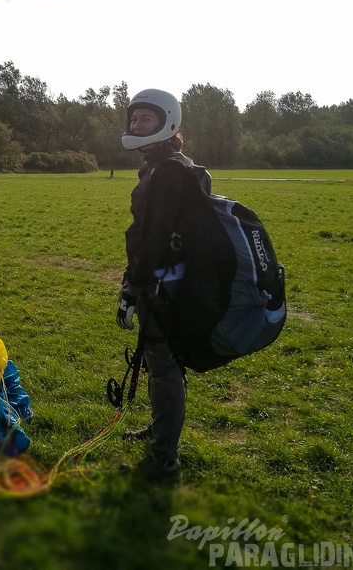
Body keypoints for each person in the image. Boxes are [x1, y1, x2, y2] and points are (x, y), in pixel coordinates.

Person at [116, 88, 212, 481]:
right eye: (134, 118)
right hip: (164, 280)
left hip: (164, 286)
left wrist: (133, 288)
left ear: (167, 122)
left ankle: (163, 461)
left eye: (146, 119)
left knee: (164, 368)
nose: (137, 125)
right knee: (164, 364)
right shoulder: (164, 165)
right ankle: (161, 433)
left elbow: (154, 239)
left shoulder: (170, 171)